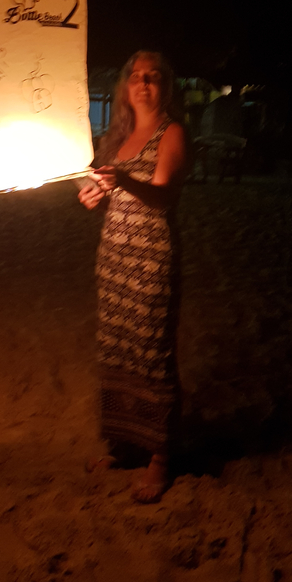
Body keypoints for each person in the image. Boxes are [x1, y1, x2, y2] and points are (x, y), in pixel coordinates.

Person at [78, 50, 187, 503]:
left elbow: (161, 198)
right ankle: (124, 444)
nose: (143, 84)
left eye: (153, 77)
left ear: (165, 87)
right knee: (118, 348)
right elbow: (105, 189)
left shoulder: (172, 133)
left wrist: (122, 181)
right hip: (114, 257)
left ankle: (161, 455)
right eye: (136, 77)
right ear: (125, 86)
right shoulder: (117, 137)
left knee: (150, 352)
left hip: (150, 258)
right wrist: (93, 195)